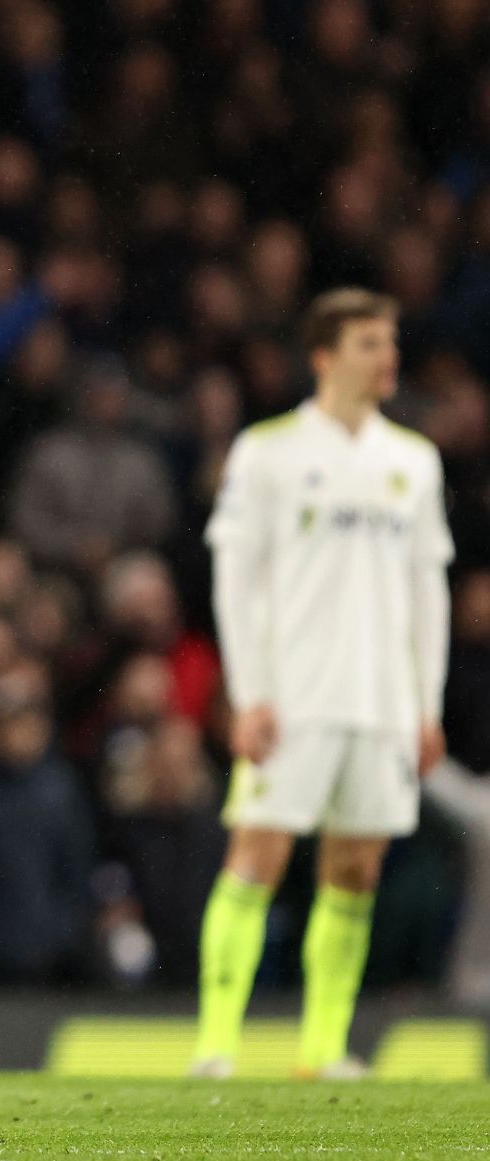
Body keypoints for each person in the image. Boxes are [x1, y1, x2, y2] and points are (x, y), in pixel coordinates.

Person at [193, 288, 453, 1079]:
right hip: (295, 697)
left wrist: (427, 707)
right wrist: (249, 694)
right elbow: (234, 581)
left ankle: (322, 1049)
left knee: (356, 870)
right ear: (324, 357)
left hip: (380, 704)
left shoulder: (413, 460)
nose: (388, 358)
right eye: (371, 344)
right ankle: (214, 1046)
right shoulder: (266, 452)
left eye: (390, 343)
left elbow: (427, 591)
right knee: (257, 857)